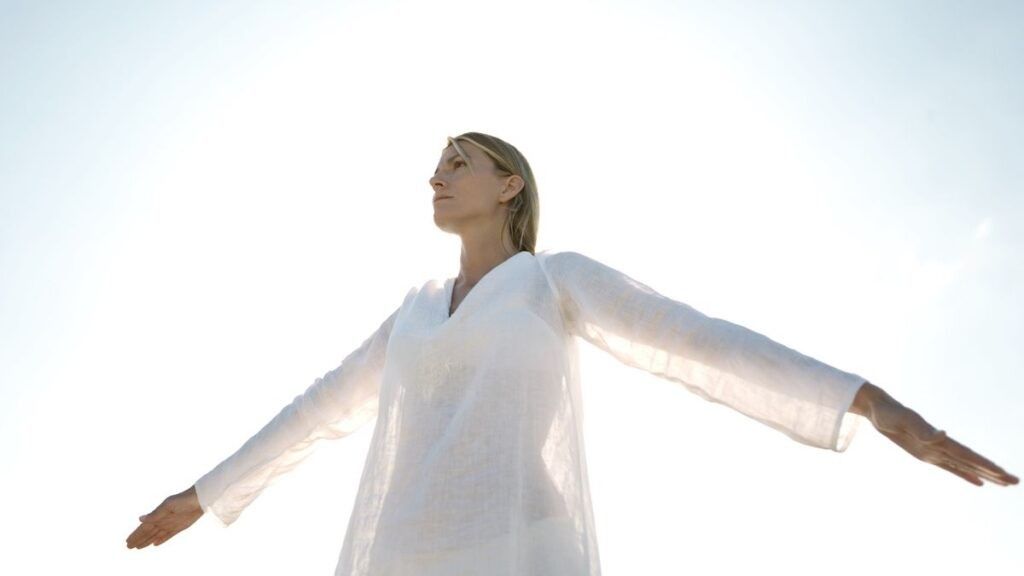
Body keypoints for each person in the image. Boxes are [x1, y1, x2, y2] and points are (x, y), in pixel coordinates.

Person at [125, 132, 1018, 574]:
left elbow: (692, 340)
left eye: (459, 161)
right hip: (403, 552)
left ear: (508, 185)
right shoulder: (410, 314)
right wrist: (201, 496)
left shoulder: (553, 283)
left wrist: (864, 399)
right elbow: (316, 412)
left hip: (523, 544)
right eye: (435, 163)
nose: (437, 175)